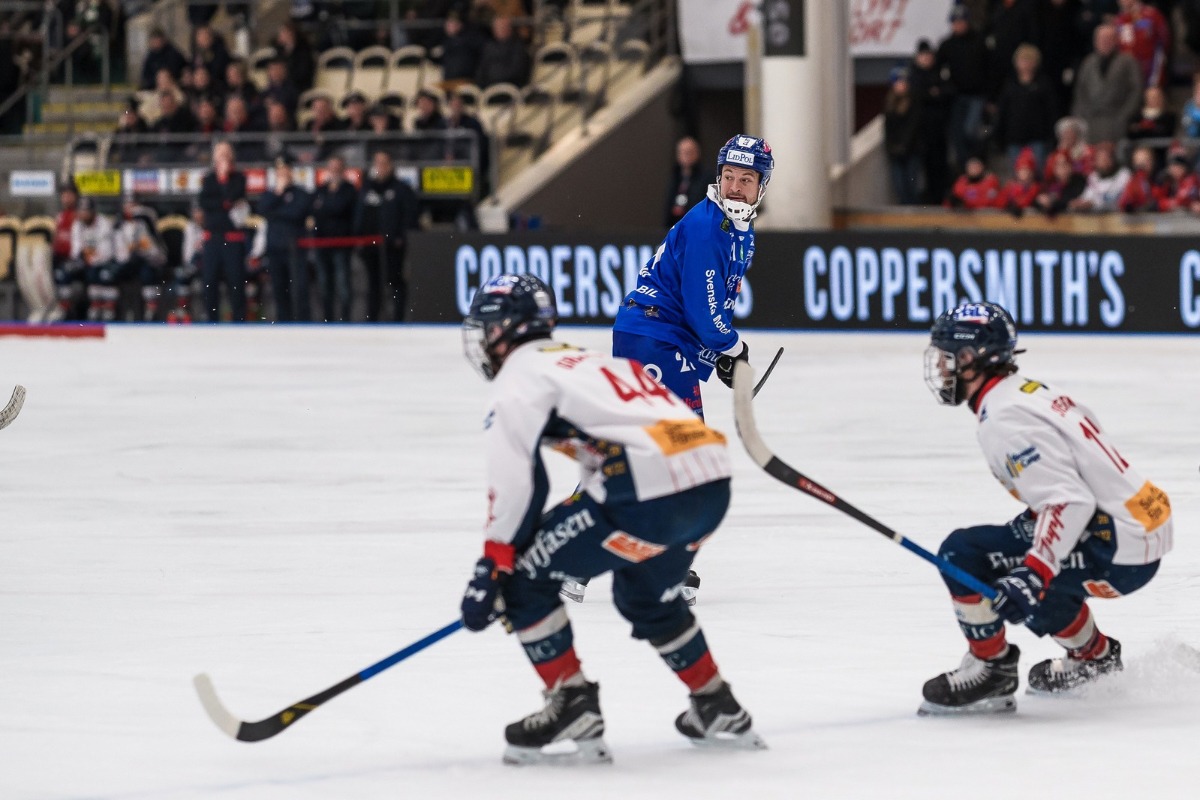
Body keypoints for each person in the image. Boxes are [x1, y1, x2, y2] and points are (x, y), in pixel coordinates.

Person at [457, 273, 766, 764]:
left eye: (488, 328)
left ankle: (572, 703)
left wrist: (493, 564)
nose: (483, 341)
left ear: (507, 330)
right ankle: (715, 703)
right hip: (710, 482)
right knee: (645, 594)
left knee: (523, 576)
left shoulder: (518, 379)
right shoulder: (584, 359)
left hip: (646, 491)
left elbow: (519, 484)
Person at [918, 302, 1172, 715]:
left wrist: (1034, 573)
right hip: (1135, 528)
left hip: (1118, 549)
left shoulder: (1004, 418)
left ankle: (992, 670)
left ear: (971, 359)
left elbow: (1069, 500)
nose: (942, 370)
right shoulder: (1027, 393)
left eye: (949, 358)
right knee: (1025, 548)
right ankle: (1095, 657)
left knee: (962, 555)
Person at [602, 134, 773, 607]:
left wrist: (712, 355)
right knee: (683, 453)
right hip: (654, 337)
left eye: (747, 179)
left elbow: (697, 308)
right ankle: (662, 564)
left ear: (761, 186)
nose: (735, 186)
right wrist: (729, 348)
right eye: (729, 176)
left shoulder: (737, 228)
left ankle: (581, 552)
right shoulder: (708, 227)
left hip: (660, 337)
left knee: (644, 446)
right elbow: (704, 310)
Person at [354, 150, 418, 321]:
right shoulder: (368, 189)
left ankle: (398, 318)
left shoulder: (401, 189)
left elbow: (410, 216)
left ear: (391, 166)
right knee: (373, 284)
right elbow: (360, 215)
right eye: (377, 163)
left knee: (395, 282)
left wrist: (400, 238)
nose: (380, 167)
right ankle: (373, 319)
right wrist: (360, 237)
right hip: (371, 247)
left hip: (393, 247)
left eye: (384, 163)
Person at [198, 141, 250, 322]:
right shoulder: (209, 179)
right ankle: (211, 319)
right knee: (210, 281)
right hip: (213, 238)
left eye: (226, 153)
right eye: (220, 153)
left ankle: (238, 320)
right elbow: (205, 202)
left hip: (232, 238)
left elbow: (234, 196)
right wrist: (224, 204)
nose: (223, 157)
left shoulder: (239, 178)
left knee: (236, 282)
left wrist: (224, 182)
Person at [257, 156, 313, 322]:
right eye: (279, 171)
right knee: (279, 291)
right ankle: (283, 325)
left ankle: (304, 325)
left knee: (299, 291)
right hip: (275, 249)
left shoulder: (301, 193)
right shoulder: (270, 194)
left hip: (295, 250)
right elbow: (262, 209)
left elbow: (297, 213)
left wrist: (276, 212)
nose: (282, 174)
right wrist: (278, 194)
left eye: (285, 170)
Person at [1071, 24, 1143, 146]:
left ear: (1116, 40)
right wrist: (1082, 116)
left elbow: (1136, 90)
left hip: (1117, 120)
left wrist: (1125, 115)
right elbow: (1080, 91)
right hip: (1092, 121)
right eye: (1101, 39)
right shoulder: (1088, 62)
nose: (1104, 42)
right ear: (1095, 41)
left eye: (1108, 38)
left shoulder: (1128, 61)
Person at [310, 156, 359, 322]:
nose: (334, 171)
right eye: (331, 168)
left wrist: (326, 208)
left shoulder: (349, 190)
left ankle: (345, 320)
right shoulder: (321, 190)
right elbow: (315, 213)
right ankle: (327, 320)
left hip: (341, 245)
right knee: (324, 286)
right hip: (322, 244)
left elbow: (341, 209)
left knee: (343, 285)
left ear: (343, 170)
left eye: (338, 168)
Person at [114, 197, 168, 321]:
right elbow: (119, 255)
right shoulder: (120, 227)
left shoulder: (146, 225)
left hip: (149, 262)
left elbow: (158, 254)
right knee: (112, 273)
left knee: (148, 272)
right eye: (128, 206)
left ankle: (151, 312)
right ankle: (120, 312)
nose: (131, 210)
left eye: (134, 206)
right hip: (128, 263)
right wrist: (129, 251)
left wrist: (142, 247)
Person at [663, 136, 713, 228]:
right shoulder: (675, 178)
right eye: (683, 152)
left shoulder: (707, 178)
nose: (686, 155)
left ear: (697, 153)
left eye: (689, 152)